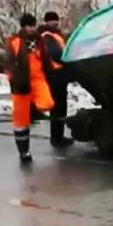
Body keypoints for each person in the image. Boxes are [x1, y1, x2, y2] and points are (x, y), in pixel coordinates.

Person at [5, 13, 54, 164]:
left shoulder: (39, 41)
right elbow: (9, 63)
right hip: (21, 84)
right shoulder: (15, 42)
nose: (33, 28)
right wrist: (13, 80)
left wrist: (52, 70)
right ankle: (24, 151)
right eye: (31, 25)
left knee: (48, 103)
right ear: (24, 26)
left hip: (38, 79)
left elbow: (46, 58)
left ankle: (34, 110)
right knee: (21, 122)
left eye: (34, 25)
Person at [39, 11, 73, 148]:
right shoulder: (47, 36)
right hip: (55, 76)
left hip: (58, 75)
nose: (56, 23)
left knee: (60, 107)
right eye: (52, 21)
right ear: (47, 22)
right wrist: (68, 60)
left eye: (56, 20)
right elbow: (56, 54)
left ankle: (58, 136)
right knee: (58, 107)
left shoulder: (55, 35)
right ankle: (57, 138)